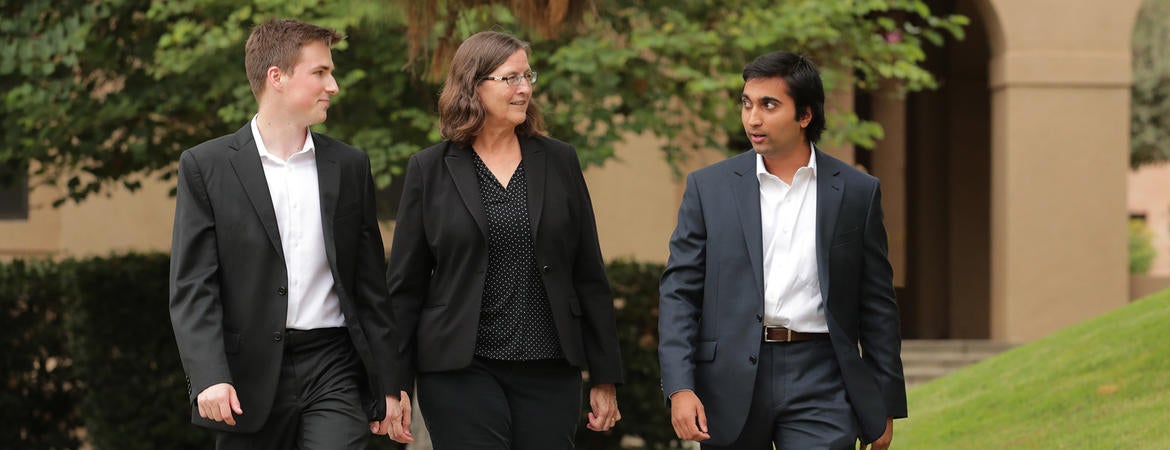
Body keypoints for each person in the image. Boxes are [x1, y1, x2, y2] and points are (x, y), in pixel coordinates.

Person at [168, 18, 409, 450]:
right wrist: (208, 375)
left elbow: (370, 286)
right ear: (276, 77)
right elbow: (193, 285)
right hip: (247, 374)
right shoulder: (205, 166)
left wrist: (389, 384)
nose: (333, 86)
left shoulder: (350, 166)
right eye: (320, 72)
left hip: (335, 363)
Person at [384, 30, 623, 449]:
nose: (524, 88)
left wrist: (605, 376)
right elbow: (406, 286)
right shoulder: (429, 169)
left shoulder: (560, 160)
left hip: (550, 367)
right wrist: (394, 384)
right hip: (459, 370)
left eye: (528, 76)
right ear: (473, 85)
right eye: (511, 78)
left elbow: (588, 272)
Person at [657, 51, 907, 450]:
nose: (752, 119)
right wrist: (679, 386)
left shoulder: (857, 192)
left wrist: (885, 404)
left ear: (805, 115)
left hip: (822, 376)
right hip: (729, 378)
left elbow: (877, 305)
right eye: (747, 104)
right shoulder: (708, 188)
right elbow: (679, 294)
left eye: (768, 105)